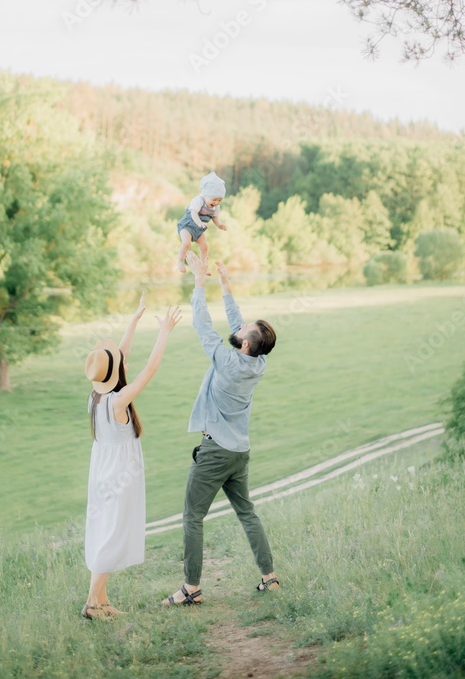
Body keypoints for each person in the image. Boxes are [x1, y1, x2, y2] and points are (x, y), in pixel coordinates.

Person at [162, 254, 279, 606]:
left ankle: (191, 588)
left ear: (244, 344)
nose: (239, 329)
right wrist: (225, 284)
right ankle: (269, 578)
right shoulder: (257, 361)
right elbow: (236, 324)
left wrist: (199, 280)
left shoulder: (227, 361)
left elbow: (203, 326)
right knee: (247, 513)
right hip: (239, 452)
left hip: (215, 452)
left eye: (243, 332)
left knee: (192, 516)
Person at [82, 294, 182, 620]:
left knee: (105, 530)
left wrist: (136, 318)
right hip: (119, 474)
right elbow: (149, 369)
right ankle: (91, 603)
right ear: (118, 371)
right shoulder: (120, 400)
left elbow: (120, 356)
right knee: (112, 535)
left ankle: (101, 600)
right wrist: (164, 330)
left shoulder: (97, 398)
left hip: (101, 469)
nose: (125, 360)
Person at [177, 171, 228, 273]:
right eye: (214, 199)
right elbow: (194, 213)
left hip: (198, 230)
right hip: (187, 226)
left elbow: (215, 216)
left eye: (219, 200)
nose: (216, 202)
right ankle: (180, 261)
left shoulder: (216, 206)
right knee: (186, 243)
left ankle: (204, 266)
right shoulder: (199, 200)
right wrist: (199, 222)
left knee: (204, 247)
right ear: (206, 194)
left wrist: (219, 225)